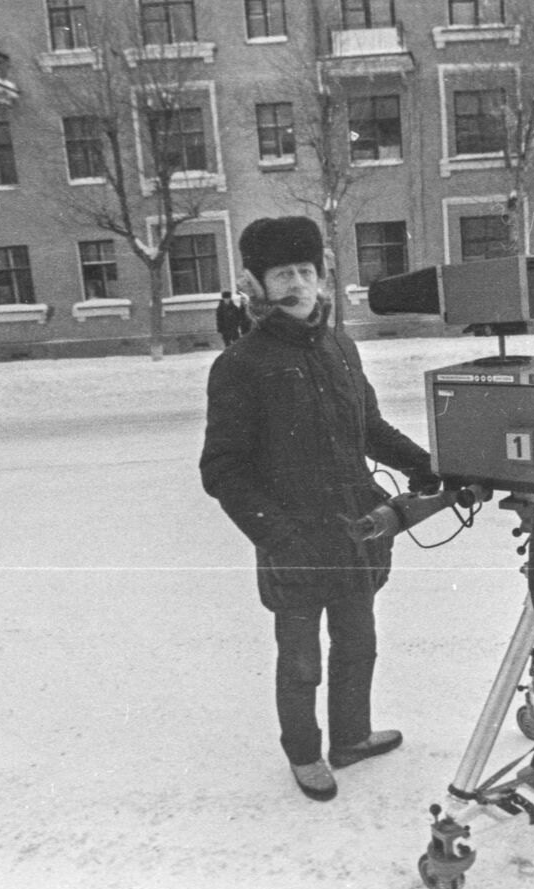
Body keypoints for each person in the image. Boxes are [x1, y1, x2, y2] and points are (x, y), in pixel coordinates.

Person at [199, 216, 440, 802]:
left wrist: (424, 464)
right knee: (302, 662)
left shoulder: (340, 347)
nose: (298, 284)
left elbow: (369, 427)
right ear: (257, 284)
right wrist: (278, 537)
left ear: (321, 277)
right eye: (283, 274)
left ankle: (351, 738)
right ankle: (304, 753)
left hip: (355, 529)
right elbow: (222, 470)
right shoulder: (240, 364)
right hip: (293, 540)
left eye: (306, 271)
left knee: (359, 645)